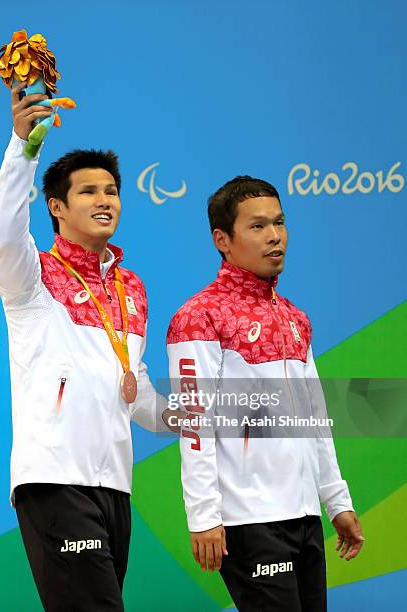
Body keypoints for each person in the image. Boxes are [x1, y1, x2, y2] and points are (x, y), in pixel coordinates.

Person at [0, 81, 169, 612]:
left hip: (114, 484)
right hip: (53, 479)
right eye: (89, 191)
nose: (104, 200)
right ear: (57, 207)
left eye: (112, 190)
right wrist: (23, 148)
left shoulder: (130, 286)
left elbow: (131, 391)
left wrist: (180, 414)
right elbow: (5, 233)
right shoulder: (31, 278)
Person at [166, 175, 364, 611]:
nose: (275, 236)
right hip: (248, 521)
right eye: (257, 226)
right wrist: (204, 516)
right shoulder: (198, 317)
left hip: (305, 516)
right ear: (223, 239)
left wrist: (336, 501)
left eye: (279, 222)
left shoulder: (296, 318)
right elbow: (193, 420)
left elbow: (314, 415)